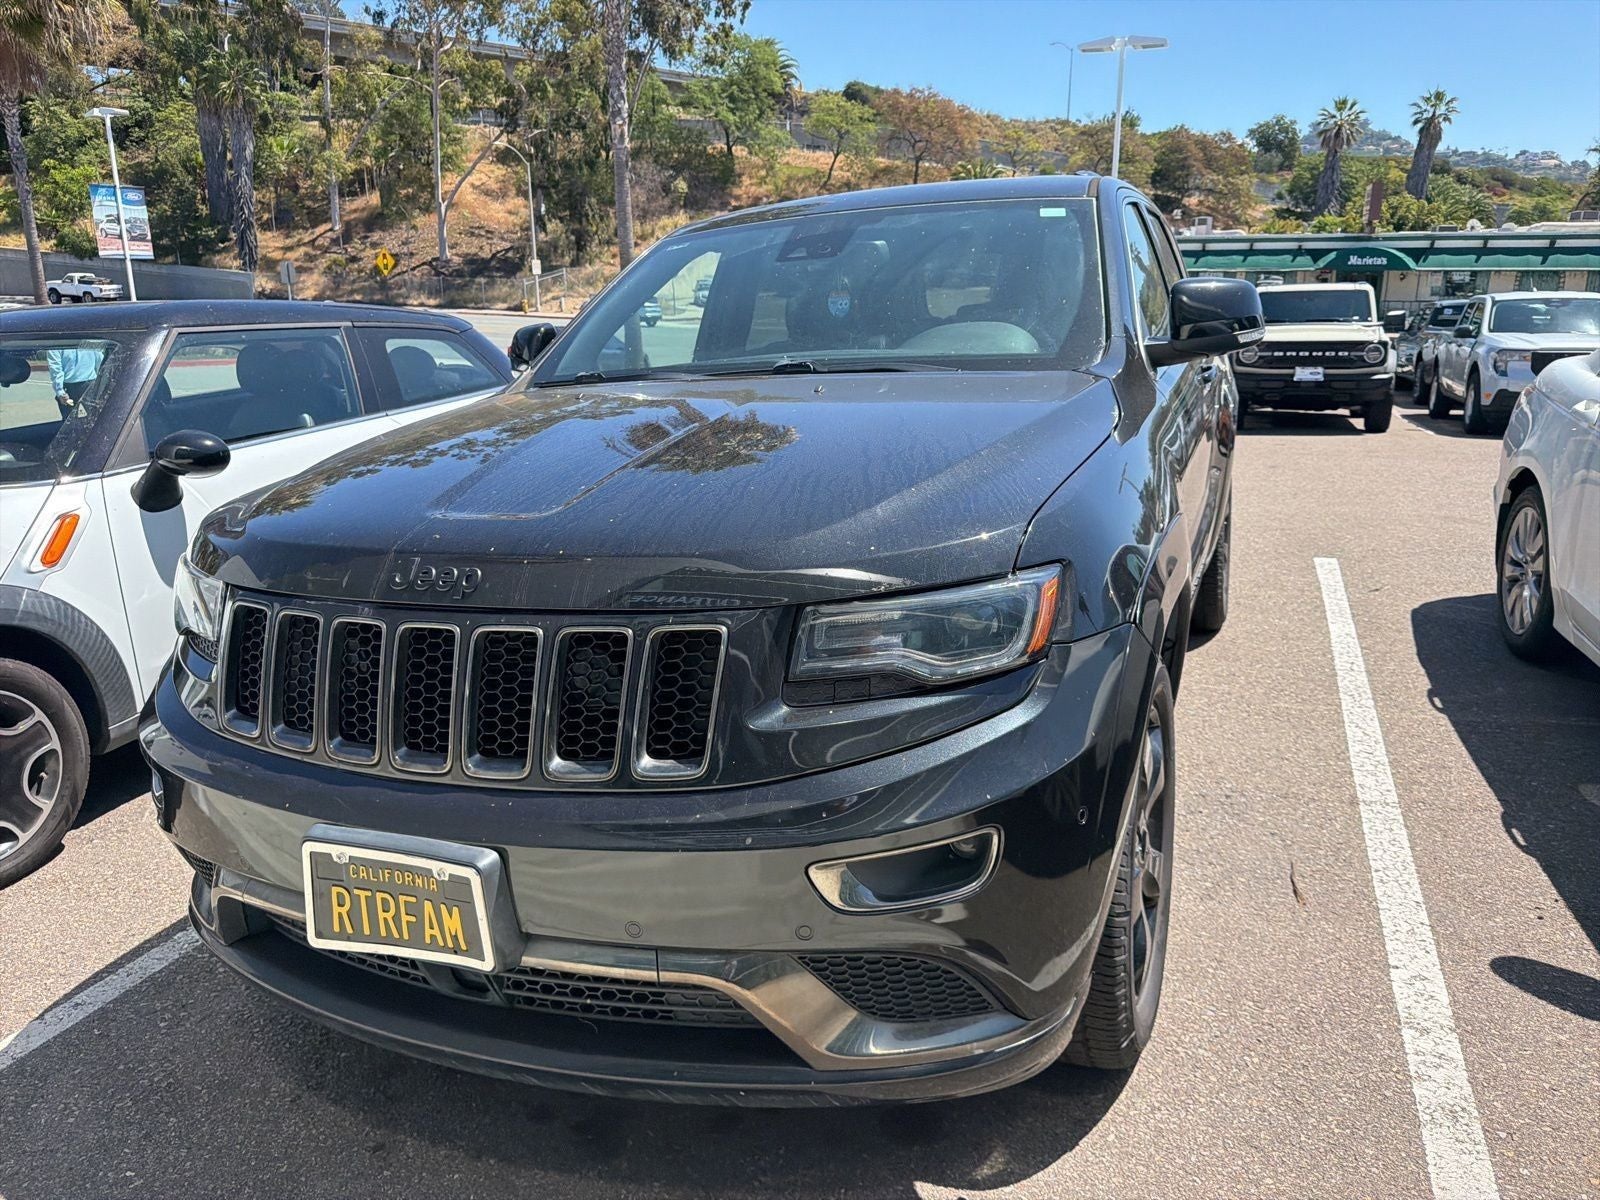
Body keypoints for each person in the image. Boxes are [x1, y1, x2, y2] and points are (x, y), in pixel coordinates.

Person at [47, 345, 104, 415]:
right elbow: (100, 361)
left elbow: (55, 369)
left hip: (70, 390)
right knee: (93, 419)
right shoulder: (89, 341)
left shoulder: (56, 343)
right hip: (90, 386)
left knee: (68, 421)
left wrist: (60, 392)